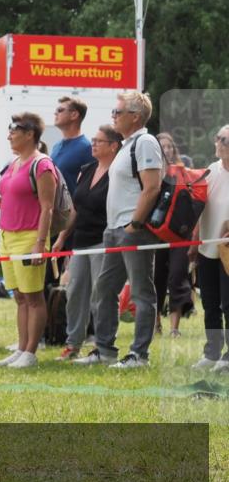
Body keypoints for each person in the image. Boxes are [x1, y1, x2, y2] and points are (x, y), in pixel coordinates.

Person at [74, 91, 163, 368]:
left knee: (140, 292)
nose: (113, 117)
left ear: (135, 116)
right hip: (113, 229)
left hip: (132, 229)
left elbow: (152, 187)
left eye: (117, 112)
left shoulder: (145, 142)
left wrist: (135, 223)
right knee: (104, 289)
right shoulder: (126, 145)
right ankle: (104, 349)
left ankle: (139, 355)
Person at [0, 113, 58, 369]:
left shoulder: (42, 165)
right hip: (6, 236)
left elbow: (47, 208)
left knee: (34, 298)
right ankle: (21, 348)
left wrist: (39, 243)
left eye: (14, 129)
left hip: (30, 237)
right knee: (19, 297)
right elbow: (13, 201)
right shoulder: (13, 164)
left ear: (30, 133)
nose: (9, 134)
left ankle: (31, 353)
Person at [51, 126, 122, 360]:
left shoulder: (118, 173)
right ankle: (73, 344)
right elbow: (76, 209)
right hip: (79, 242)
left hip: (103, 240)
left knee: (100, 295)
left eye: (99, 141)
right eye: (93, 140)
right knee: (75, 292)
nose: (93, 144)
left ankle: (103, 346)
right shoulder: (87, 169)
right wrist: (62, 237)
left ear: (113, 146)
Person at [191, 125, 229, 371]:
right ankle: (212, 352)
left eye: (223, 139)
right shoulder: (209, 172)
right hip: (207, 248)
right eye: (218, 138)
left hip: (227, 251)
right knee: (210, 303)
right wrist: (193, 242)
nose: (219, 142)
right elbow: (198, 208)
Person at [154, 132, 195, 337]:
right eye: (163, 146)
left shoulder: (184, 173)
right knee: (156, 279)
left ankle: (174, 328)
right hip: (157, 234)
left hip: (180, 235)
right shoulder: (152, 173)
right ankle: (155, 324)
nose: (167, 150)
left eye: (170, 146)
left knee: (177, 277)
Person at [51, 96, 94, 195]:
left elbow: (91, 186)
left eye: (60, 110)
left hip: (73, 209)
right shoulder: (56, 146)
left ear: (74, 115)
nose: (55, 113)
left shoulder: (87, 148)